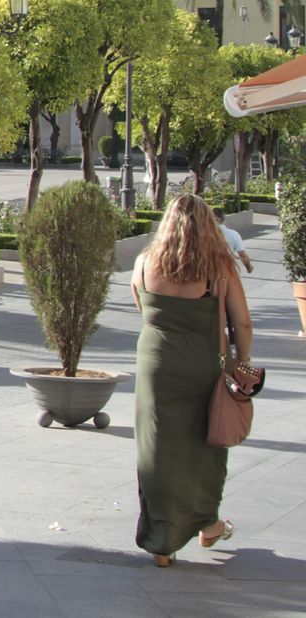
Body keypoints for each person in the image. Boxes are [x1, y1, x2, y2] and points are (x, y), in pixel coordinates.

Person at [131, 193, 255, 567]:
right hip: (204, 368)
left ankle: (162, 541)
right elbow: (243, 322)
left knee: (158, 450)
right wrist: (243, 362)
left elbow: (144, 312)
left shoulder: (143, 263)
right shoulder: (220, 267)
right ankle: (208, 525)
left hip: (156, 366)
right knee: (205, 447)